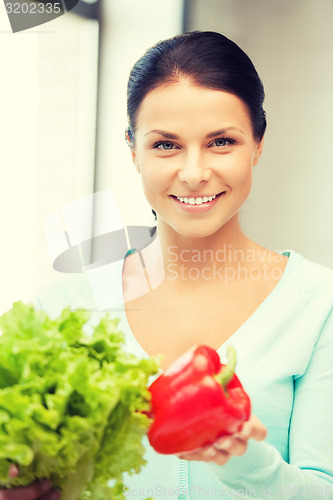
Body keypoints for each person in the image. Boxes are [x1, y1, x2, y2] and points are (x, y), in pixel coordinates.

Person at [2, 30, 333, 499]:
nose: (195, 172)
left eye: (221, 141)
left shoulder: (320, 306)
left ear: (258, 144)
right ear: (133, 150)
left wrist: (242, 460)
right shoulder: (61, 309)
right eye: (165, 145)